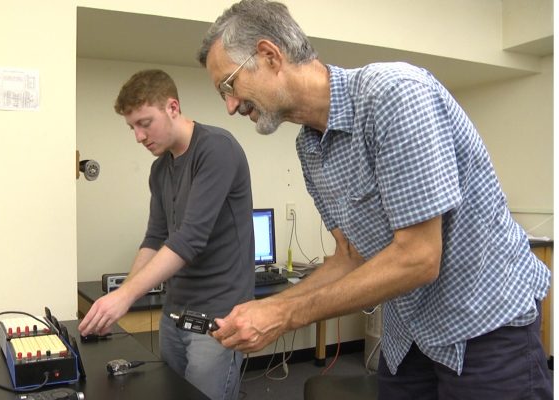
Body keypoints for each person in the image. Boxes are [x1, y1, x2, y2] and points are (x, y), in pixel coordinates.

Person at [196, 1, 553, 398]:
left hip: (485, 325)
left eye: (228, 86)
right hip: (411, 334)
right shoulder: (309, 148)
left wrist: (283, 315)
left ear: (269, 55)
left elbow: (419, 257)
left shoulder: (395, 94)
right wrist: (266, 308)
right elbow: (351, 257)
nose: (229, 106)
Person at [78, 69, 254, 400]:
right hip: (175, 313)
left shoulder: (216, 149)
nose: (139, 136)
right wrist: (124, 295)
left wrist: (126, 295)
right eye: (132, 127)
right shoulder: (160, 169)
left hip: (218, 316)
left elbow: (189, 239)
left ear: (172, 107)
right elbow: (155, 237)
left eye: (145, 123)